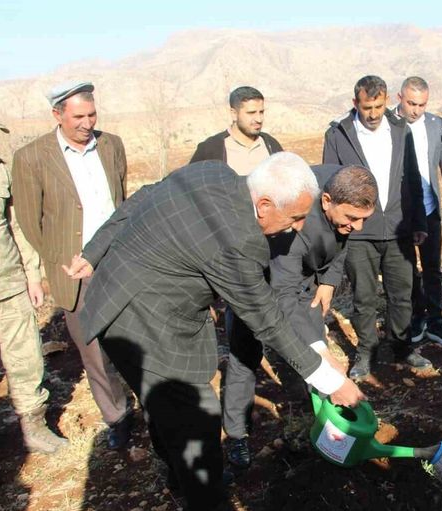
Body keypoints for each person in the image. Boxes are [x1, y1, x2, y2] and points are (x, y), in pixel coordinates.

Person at [63, 152, 365, 511]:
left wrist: (93, 252)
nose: (299, 227)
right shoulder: (237, 241)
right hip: (142, 321)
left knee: (163, 407)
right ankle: (204, 496)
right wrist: (330, 380)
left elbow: (144, 195)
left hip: (127, 299)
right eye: (296, 218)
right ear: (264, 206)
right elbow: (266, 319)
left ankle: (181, 477)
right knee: (197, 419)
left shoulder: (213, 173)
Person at [222, 164, 377, 470]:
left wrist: (329, 279)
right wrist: (321, 355)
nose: (358, 227)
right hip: (256, 280)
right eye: (352, 219)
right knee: (244, 355)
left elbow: (343, 242)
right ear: (326, 201)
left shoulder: (345, 185)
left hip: (303, 281)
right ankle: (237, 433)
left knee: (315, 340)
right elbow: (283, 296)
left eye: (364, 219)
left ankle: (320, 415)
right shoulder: (294, 228)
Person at [11, 81, 133, 450]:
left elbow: (122, 200)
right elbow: (30, 221)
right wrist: (63, 256)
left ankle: (152, 399)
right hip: (75, 273)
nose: (87, 123)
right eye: (78, 116)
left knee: (135, 336)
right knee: (94, 351)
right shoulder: (32, 157)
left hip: (118, 263)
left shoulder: (111, 145)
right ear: (57, 115)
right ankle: (118, 417)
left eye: (92, 114)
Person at [188, 85, 286, 470]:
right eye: (250, 113)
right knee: (243, 349)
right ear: (233, 113)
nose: (258, 119)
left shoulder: (271, 146)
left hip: (271, 261)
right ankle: (238, 433)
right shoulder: (212, 150)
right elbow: (192, 203)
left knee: (280, 334)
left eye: (262, 112)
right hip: (232, 267)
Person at [322, 75, 432, 380]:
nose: (372, 114)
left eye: (378, 107)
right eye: (367, 107)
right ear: (355, 103)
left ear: (387, 101)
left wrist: (419, 221)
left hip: (398, 228)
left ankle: (402, 347)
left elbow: (412, 176)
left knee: (402, 294)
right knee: (364, 297)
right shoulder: (338, 135)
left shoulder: (400, 130)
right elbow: (329, 181)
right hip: (359, 232)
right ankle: (367, 352)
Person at [0, 99, 67, 496]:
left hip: (10, 283)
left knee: (27, 359)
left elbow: (17, 227)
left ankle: (34, 427)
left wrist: (32, 275)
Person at [394, 76, 442, 347]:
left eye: (422, 105)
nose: (416, 110)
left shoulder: (435, 124)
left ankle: (435, 320)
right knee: (407, 268)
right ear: (399, 98)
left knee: (433, 267)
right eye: (411, 103)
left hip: (430, 209)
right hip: (401, 213)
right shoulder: (388, 125)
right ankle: (416, 317)